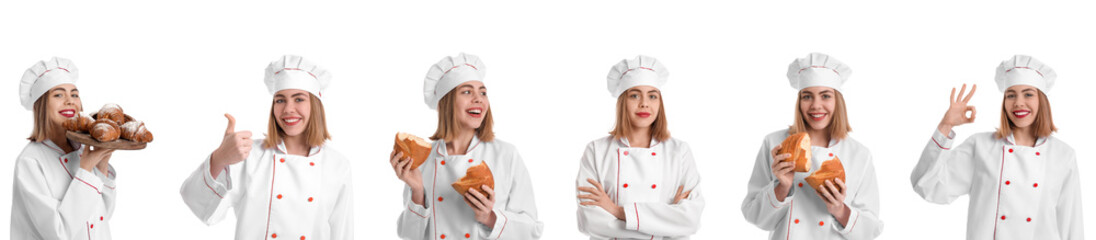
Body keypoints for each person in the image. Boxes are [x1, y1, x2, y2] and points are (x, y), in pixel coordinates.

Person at [179, 55, 354, 239]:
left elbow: (343, 233)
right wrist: (219, 158)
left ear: (315, 105)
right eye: (280, 100)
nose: (288, 109)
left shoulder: (337, 165)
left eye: (299, 99)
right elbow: (195, 201)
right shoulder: (248, 155)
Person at [910, 55, 1084, 239]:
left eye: (1028, 94)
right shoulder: (980, 146)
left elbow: (1072, 225)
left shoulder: (1063, 155)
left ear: (1042, 101)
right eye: (1011, 95)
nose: (1018, 102)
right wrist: (946, 125)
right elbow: (927, 186)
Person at [575, 55, 704, 239]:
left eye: (652, 96)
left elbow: (690, 220)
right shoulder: (596, 151)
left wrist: (617, 211)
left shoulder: (679, 152)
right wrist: (664, 223)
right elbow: (591, 222)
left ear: (660, 103)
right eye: (634, 95)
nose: (644, 103)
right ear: (622, 102)